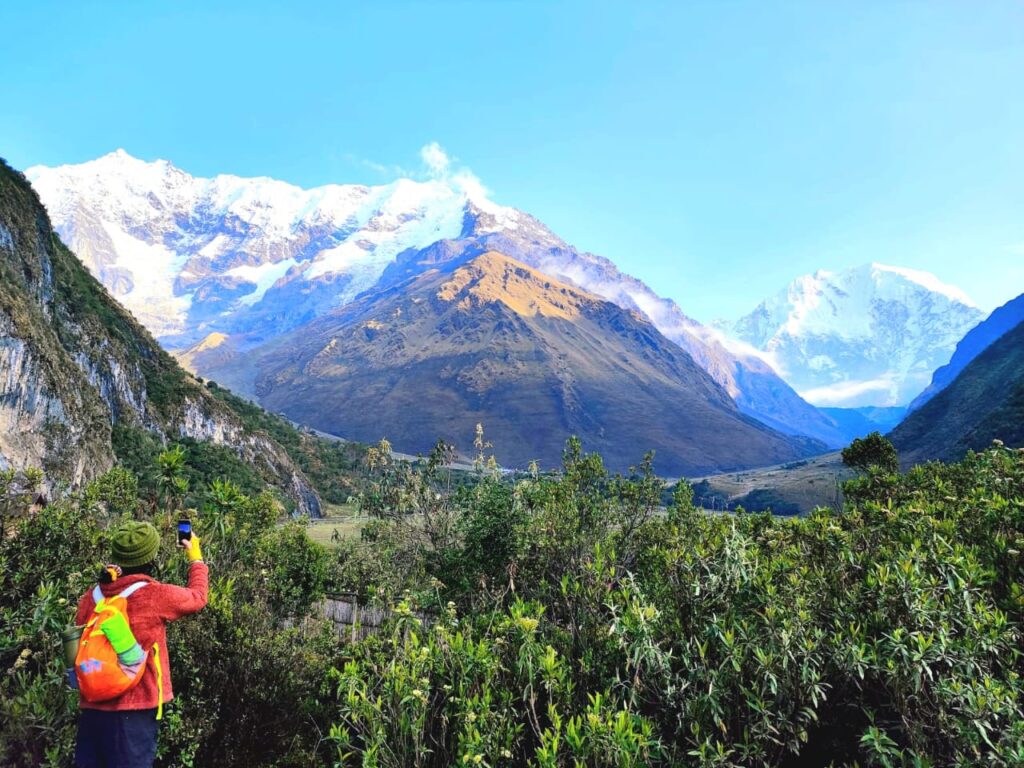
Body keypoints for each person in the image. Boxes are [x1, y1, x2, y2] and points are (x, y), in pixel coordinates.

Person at [73, 520, 207, 768]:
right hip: (135, 711)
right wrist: (195, 558)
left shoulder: (92, 596)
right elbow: (197, 598)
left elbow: (78, 638)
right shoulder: (154, 594)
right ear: (151, 556)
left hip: (93, 707)